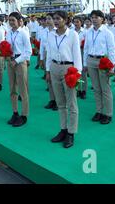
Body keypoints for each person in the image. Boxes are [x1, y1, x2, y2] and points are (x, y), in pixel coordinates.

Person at [46, 11, 82, 149]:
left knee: (71, 102)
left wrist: (77, 73)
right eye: (54, 19)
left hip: (68, 69)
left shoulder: (73, 35)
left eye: (58, 19)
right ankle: (63, 129)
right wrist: (48, 70)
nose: (55, 21)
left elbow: (77, 55)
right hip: (55, 68)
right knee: (60, 102)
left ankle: (71, 133)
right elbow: (49, 52)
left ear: (66, 20)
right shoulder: (51, 35)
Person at [83, 10, 115, 125]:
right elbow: (86, 48)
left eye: (97, 17)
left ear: (102, 19)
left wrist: (112, 66)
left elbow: (112, 50)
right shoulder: (88, 32)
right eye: (92, 17)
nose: (94, 19)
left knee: (105, 88)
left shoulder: (107, 33)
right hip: (91, 60)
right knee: (96, 88)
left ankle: (108, 113)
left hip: (103, 61)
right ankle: (99, 111)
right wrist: (85, 63)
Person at [5, 12, 32, 127]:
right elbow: (6, 47)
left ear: (19, 21)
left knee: (23, 89)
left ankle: (24, 115)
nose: (11, 22)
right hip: (10, 62)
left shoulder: (23, 33)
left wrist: (16, 61)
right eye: (10, 20)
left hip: (20, 62)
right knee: (12, 88)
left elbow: (28, 51)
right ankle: (15, 112)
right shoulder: (8, 33)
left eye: (13, 20)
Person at [40, 13, 58, 110]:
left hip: (56, 55)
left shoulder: (57, 31)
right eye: (46, 19)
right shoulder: (43, 31)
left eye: (50, 18)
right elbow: (42, 46)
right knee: (49, 79)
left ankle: (58, 101)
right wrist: (42, 58)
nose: (48, 21)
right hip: (47, 55)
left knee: (56, 80)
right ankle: (52, 100)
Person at [73, 16, 87, 99]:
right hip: (74, 52)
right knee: (75, 71)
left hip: (82, 51)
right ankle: (78, 89)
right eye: (74, 22)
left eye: (77, 22)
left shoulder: (85, 32)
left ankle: (84, 90)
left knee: (83, 73)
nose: (76, 23)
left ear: (81, 22)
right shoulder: (71, 31)